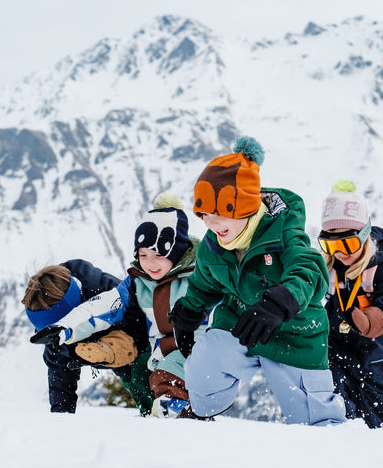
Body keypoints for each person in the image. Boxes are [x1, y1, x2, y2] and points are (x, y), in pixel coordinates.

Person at [169, 136, 346, 425]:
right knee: (202, 368)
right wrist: (190, 310)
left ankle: (326, 447)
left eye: (221, 214)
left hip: (295, 332)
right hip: (241, 325)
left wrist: (280, 302)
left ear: (246, 208)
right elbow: (205, 283)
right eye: (204, 215)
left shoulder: (284, 233)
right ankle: (199, 419)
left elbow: (310, 269)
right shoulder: (212, 245)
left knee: (315, 423)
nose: (211, 225)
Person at [29, 193, 202, 417]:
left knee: (151, 378)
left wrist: (112, 351)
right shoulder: (137, 282)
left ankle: (174, 414)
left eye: (158, 254)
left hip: (154, 349)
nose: (150, 263)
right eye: (143, 255)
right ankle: (167, 415)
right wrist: (62, 417)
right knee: (156, 397)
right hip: (159, 350)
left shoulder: (104, 289)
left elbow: (133, 327)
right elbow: (59, 375)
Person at [318, 179, 383, 428]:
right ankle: (343, 433)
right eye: (331, 244)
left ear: (364, 236)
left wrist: (371, 320)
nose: (341, 252)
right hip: (333, 346)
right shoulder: (327, 268)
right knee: (335, 391)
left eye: (349, 243)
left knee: (374, 401)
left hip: (371, 349)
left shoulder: (378, 268)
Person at [23, 261, 153, 414]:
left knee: (149, 389)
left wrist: (111, 351)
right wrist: (61, 419)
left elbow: (141, 327)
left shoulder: (108, 293)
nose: (61, 338)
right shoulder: (55, 332)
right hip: (113, 358)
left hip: (142, 349)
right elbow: (60, 378)